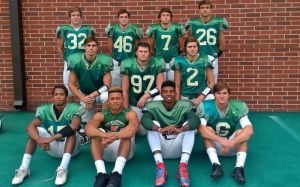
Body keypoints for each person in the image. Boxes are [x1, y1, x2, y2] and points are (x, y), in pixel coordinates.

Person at [11, 85, 86, 185]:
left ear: (67, 98)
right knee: (35, 130)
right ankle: (24, 168)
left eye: (61, 94)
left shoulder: (74, 108)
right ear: (52, 97)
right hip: (53, 148)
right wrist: (39, 139)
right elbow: (29, 127)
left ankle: (63, 169)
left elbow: (74, 126)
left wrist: (50, 139)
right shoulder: (44, 109)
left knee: (70, 132)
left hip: (72, 150)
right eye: (56, 95)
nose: (58, 97)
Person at [141, 81, 200, 187]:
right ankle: (160, 166)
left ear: (176, 93)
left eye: (171, 91)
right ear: (161, 94)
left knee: (189, 127)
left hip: (178, 147)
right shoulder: (153, 105)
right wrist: (160, 129)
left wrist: (180, 129)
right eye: (165, 92)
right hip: (161, 147)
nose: (168, 94)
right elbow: (145, 120)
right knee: (153, 125)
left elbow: (195, 120)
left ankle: (182, 166)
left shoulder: (185, 104)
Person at [196, 82, 254, 184]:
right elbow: (201, 129)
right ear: (214, 95)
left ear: (229, 94)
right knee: (208, 129)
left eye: (224, 93)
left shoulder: (238, 106)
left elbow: (249, 130)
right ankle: (216, 165)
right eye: (219, 93)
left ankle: (239, 168)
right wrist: (221, 140)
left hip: (231, 145)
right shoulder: (205, 106)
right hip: (215, 144)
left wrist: (231, 142)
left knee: (241, 132)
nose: (222, 96)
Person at [85, 86, 139, 187]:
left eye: (118, 98)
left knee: (126, 131)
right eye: (112, 99)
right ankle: (101, 173)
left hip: (126, 153)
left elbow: (132, 130)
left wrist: (113, 136)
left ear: (123, 99)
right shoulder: (101, 114)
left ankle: (117, 174)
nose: (115, 101)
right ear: (108, 101)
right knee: (96, 132)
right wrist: (104, 134)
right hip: (106, 152)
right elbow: (88, 129)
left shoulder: (130, 114)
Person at [121, 41, 166, 136]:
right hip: (135, 102)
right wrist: (126, 110)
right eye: (141, 51)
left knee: (161, 98)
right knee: (141, 132)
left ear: (149, 52)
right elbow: (124, 90)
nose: (143, 54)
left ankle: (161, 125)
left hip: (151, 99)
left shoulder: (157, 62)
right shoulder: (128, 64)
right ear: (136, 53)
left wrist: (146, 96)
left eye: (145, 51)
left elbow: (160, 87)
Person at [68, 36, 113, 123]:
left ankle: (105, 120)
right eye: (88, 45)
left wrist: (91, 96)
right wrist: (84, 98)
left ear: (97, 47)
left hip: (99, 93)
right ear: (84, 47)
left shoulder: (104, 60)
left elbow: (107, 85)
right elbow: (71, 84)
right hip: (85, 93)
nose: (91, 48)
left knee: (106, 97)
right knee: (86, 122)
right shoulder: (76, 60)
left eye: (93, 45)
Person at [185, 0, 229, 82]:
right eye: (202, 8)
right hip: (197, 56)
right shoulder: (193, 22)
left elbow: (222, 47)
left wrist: (217, 52)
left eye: (207, 7)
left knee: (212, 82)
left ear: (211, 9)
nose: (205, 10)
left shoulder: (218, 22)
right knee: (198, 82)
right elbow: (190, 42)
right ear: (199, 10)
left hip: (212, 55)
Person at [56, 7, 95, 95]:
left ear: (81, 17)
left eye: (78, 15)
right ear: (69, 18)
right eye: (73, 15)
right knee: (68, 86)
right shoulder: (63, 29)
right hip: (70, 61)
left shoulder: (88, 30)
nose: (76, 17)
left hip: (84, 61)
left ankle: (84, 106)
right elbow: (59, 47)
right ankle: (71, 106)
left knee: (85, 84)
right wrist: (65, 60)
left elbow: (92, 46)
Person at [171, 37, 214, 107]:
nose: (192, 49)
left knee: (212, 98)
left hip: (202, 96)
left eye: (194, 46)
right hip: (185, 96)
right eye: (189, 47)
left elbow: (211, 83)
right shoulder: (179, 61)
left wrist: (201, 97)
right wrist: (177, 103)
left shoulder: (205, 59)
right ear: (185, 48)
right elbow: (177, 85)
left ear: (198, 48)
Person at [105, 9, 143, 86]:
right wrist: (113, 56)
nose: (124, 19)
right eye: (121, 17)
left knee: (130, 84)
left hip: (130, 60)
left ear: (129, 18)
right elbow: (109, 45)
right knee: (116, 84)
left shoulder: (134, 29)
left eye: (125, 17)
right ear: (118, 19)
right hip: (116, 60)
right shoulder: (113, 29)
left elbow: (137, 46)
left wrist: (133, 58)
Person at [146, 8, 185, 80]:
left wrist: (176, 55)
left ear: (170, 17)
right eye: (163, 15)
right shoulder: (154, 29)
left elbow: (182, 47)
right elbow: (149, 48)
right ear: (160, 18)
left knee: (173, 84)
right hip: (159, 61)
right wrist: (157, 56)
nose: (165, 17)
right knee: (161, 84)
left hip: (173, 61)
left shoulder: (177, 28)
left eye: (167, 15)